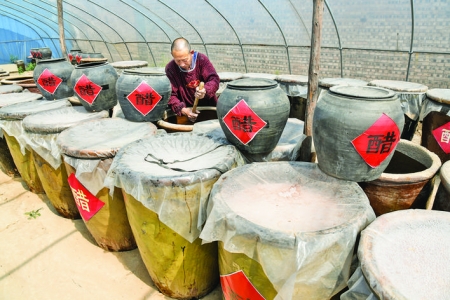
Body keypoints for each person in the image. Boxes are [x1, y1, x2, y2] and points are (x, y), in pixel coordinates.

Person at [165, 37, 220, 122]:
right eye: (178, 61)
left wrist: (205, 90)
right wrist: (182, 109)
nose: (182, 64)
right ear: (172, 55)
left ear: (191, 52)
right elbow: (171, 95)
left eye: (185, 60)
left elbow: (214, 79)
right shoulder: (171, 68)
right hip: (187, 111)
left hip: (209, 108)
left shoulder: (201, 60)